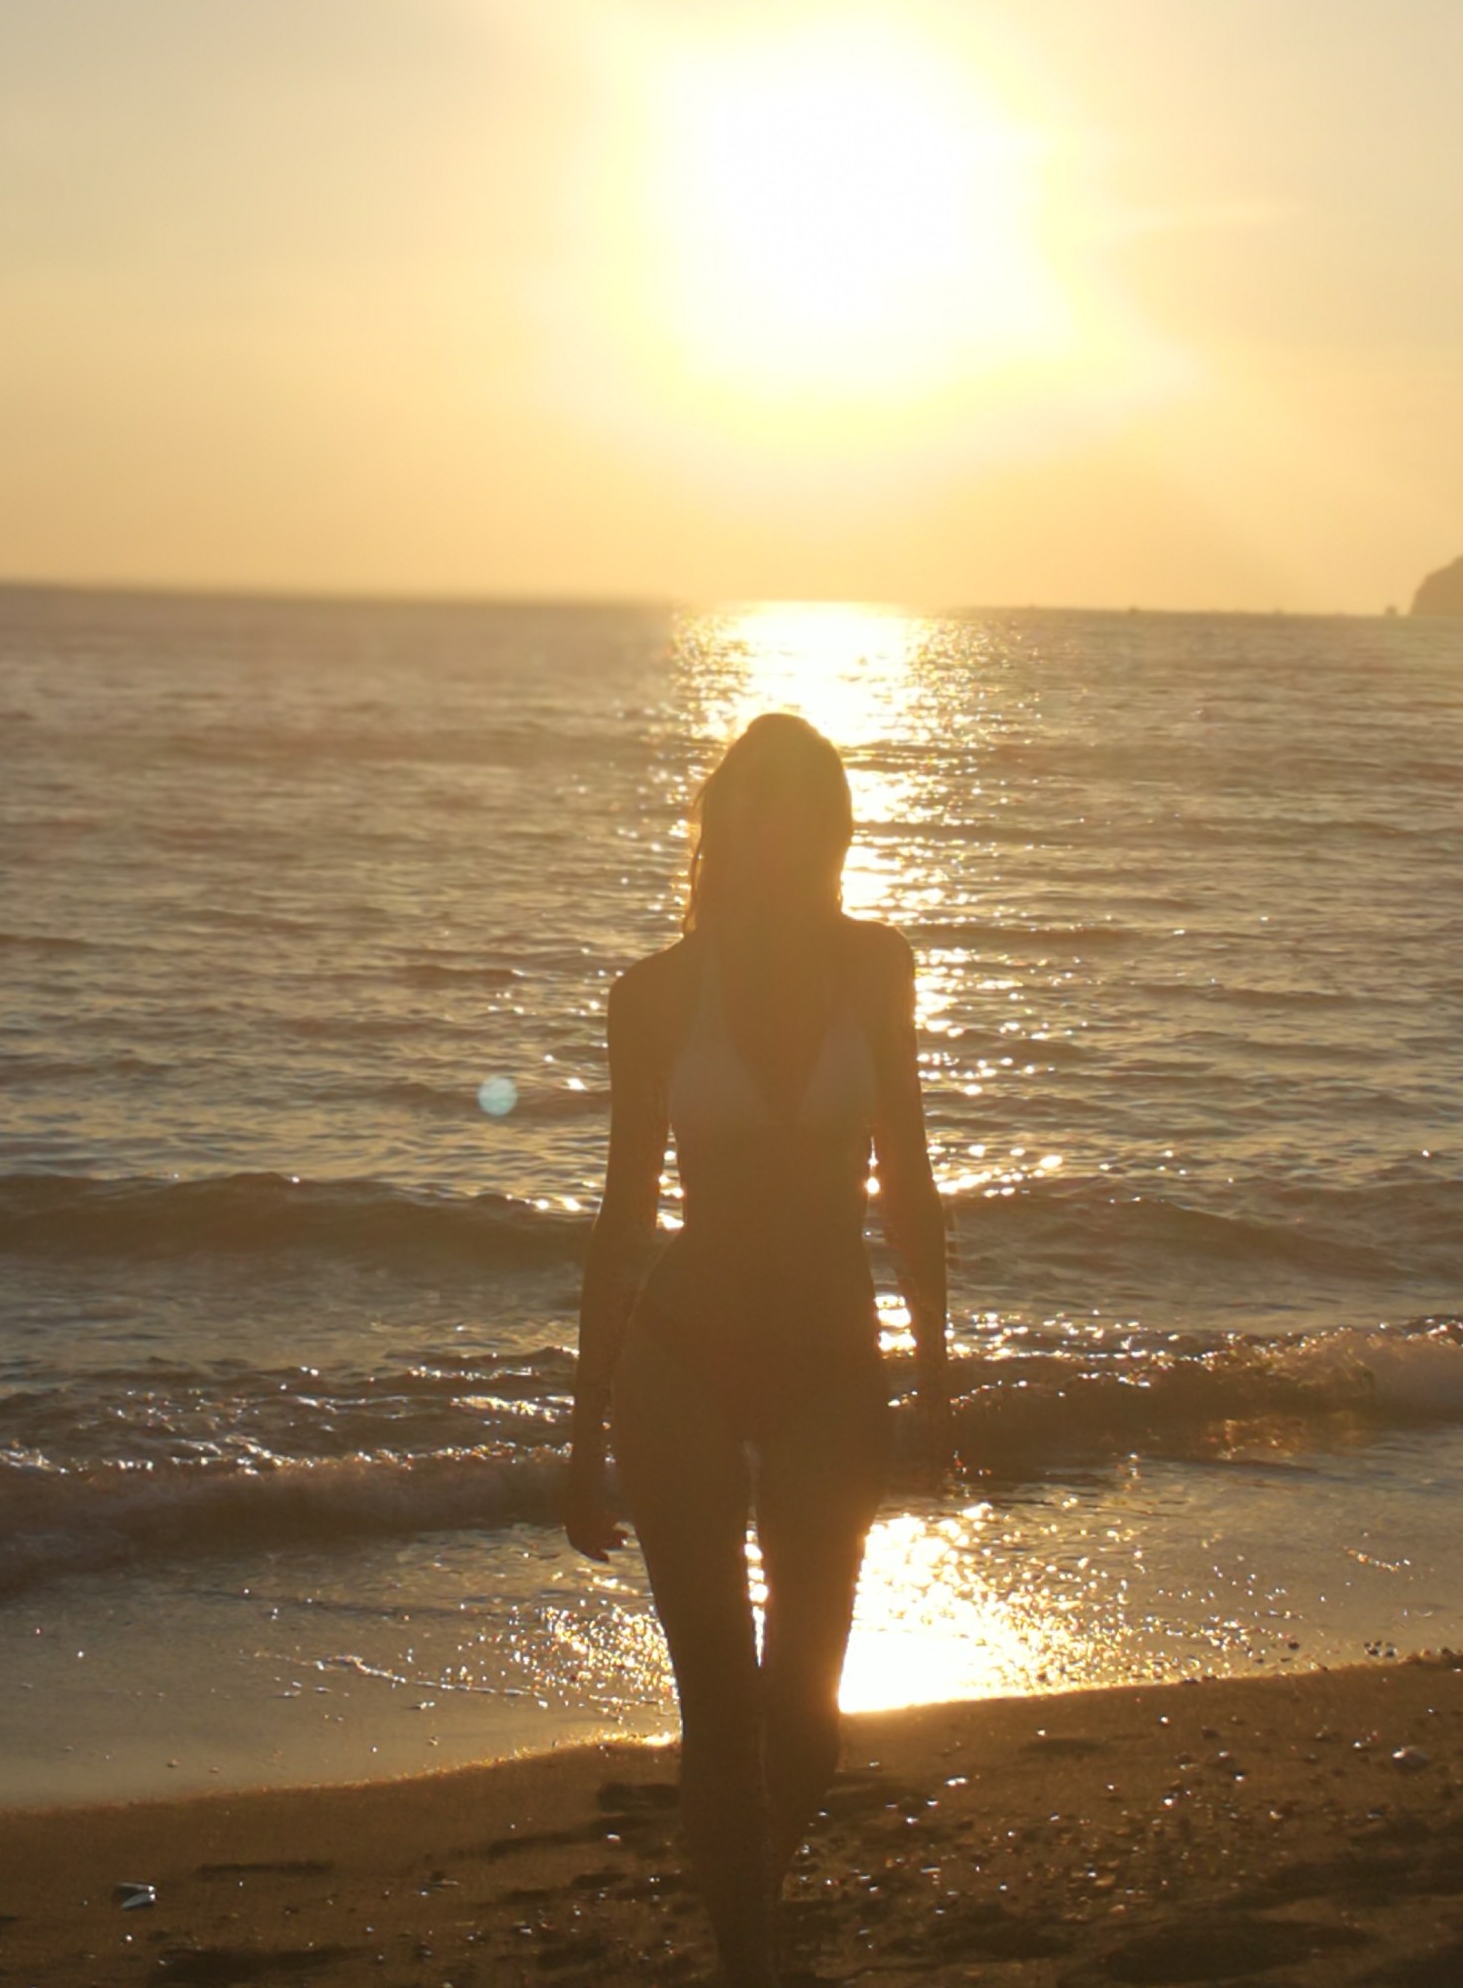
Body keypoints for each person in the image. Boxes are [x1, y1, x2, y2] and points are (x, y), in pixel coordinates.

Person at [564, 711, 950, 1988]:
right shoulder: (659, 991)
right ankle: (750, 1962)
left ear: (834, 825)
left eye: (802, 799)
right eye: (754, 798)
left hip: (835, 1362)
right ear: (722, 820)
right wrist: (579, 1435)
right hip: (677, 1357)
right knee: (721, 1713)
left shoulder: (877, 969)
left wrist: (938, 1380)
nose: (776, 821)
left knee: (809, 1729)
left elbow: (911, 1188)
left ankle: (745, 1907)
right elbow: (624, 1221)